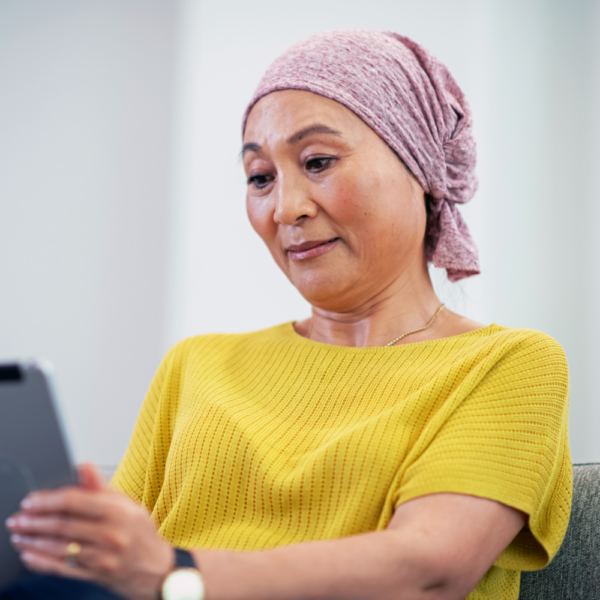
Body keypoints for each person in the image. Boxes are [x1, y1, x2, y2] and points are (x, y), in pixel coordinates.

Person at [4, 30, 571, 600]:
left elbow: (427, 570)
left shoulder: (508, 365)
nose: (285, 208)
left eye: (318, 161)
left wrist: (175, 575)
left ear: (419, 165)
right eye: (260, 178)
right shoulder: (196, 365)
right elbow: (112, 570)